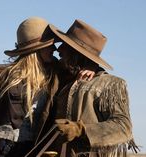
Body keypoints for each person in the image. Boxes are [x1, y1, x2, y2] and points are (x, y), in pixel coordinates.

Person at [0, 17, 61, 157]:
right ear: (37, 49)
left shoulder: (56, 75)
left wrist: (91, 68)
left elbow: (82, 69)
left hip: (34, 151)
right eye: (49, 44)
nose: (54, 48)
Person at [47, 19, 139, 156]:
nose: (59, 49)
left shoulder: (111, 84)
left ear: (77, 54)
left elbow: (123, 127)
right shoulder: (60, 79)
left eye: (65, 45)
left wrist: (80, 129)